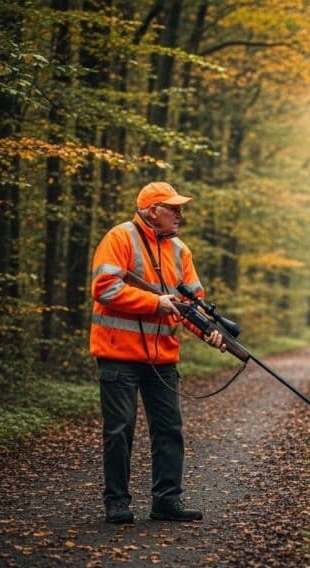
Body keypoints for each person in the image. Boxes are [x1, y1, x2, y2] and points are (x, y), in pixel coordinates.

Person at [89, 181, 225, 524]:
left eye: (180, 208)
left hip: (162, 357)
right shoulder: (119, 237)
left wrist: (209, 331)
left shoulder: (180, 250)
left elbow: (190, 305)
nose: (179, 214)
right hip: (118, 354)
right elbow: (104, 288)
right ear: (153, 211)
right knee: (119, 429)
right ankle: (117, 503)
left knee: (169, 429)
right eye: (173, 208)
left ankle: (167, 502)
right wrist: (154, 302)